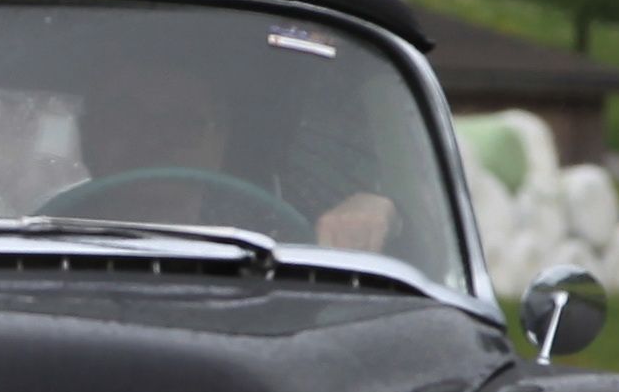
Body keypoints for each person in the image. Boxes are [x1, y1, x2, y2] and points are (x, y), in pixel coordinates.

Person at [69, 55, 404, 258]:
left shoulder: (278, 244)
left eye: (184, 122)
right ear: (88, 134)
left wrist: (383, 212)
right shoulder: (32, 241)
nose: (154, 137)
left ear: (220, 141)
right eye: (125, 116)